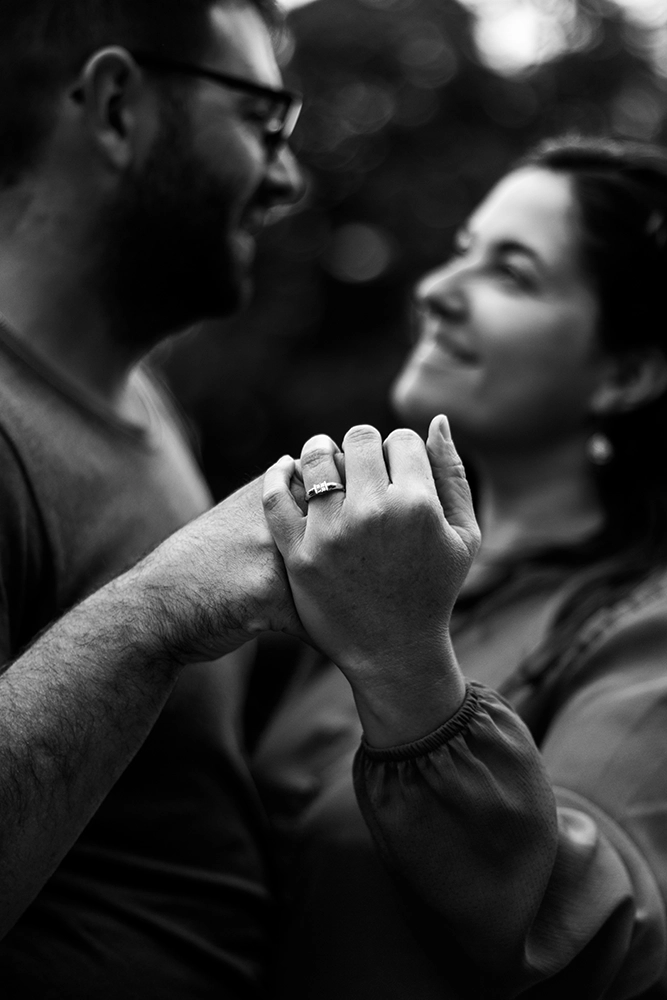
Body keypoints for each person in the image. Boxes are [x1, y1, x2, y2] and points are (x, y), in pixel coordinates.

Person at [0, 1, 481, 996]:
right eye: (264, 123)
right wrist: (161, 610)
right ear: (120, 109)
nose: (289, 179)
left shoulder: (146, 398)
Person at [253, 135, 667, 998]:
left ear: (624, 375)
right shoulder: (381, 569)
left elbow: (604, 943)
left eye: (510, 273)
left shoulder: (645, 632)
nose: (436, 292)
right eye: (462, 253)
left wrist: (403, 664)